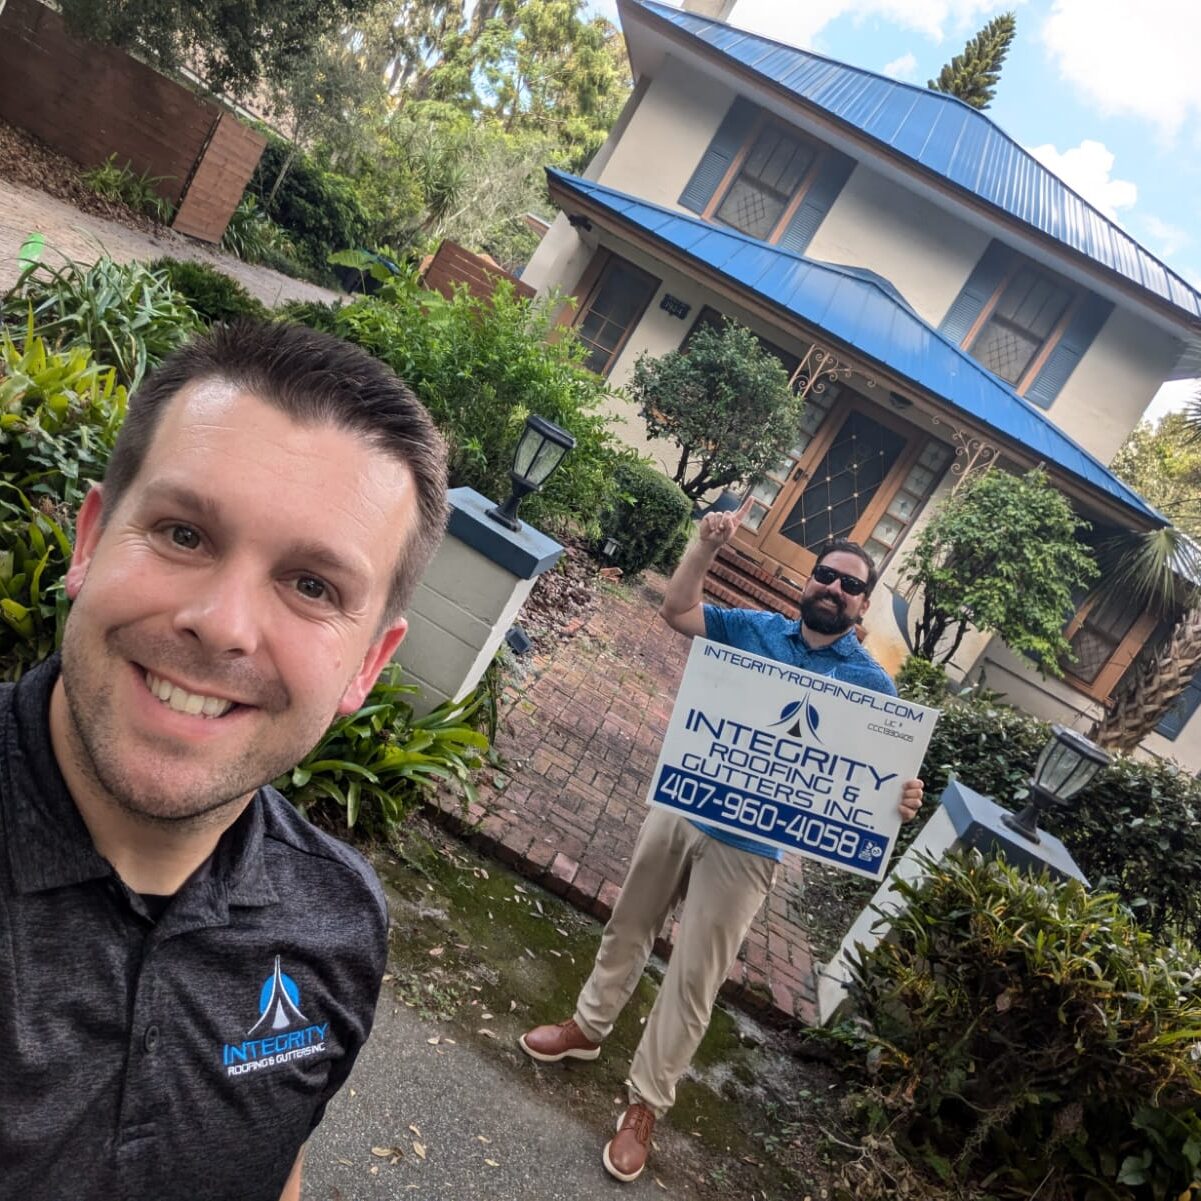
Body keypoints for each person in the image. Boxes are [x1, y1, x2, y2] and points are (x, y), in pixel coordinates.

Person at [0, 320, 448, 1201]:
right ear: (90, 541)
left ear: (368, 664)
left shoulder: (338, 925)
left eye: (311, 586)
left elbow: (270, 1160)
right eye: (182, 533)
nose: (224, 623)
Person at [519, 496, 924, 1183]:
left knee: (695, 977)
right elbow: (676, 611)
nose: (833, 588)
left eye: (850, 584)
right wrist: (704, 546)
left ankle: (645, 1103)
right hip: (685, 807)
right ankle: (587, 1029)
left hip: (752, 849)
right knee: (628, 925)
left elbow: (874, 777)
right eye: (825, 574)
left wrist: (900, 800)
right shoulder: (755, 628)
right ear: (809, 581)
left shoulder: (871, 685)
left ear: (862, 604)